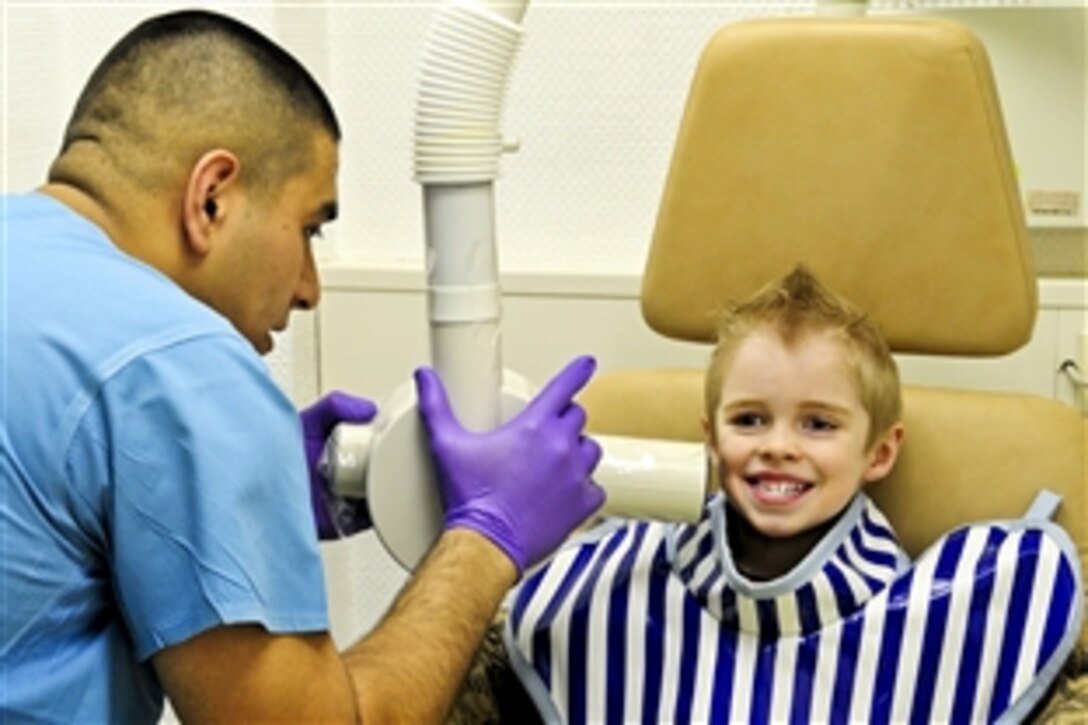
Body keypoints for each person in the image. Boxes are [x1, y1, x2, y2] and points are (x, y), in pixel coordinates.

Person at [1, 9, 605, 723]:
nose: (310, 288)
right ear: (212, 195)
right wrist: (486, 536)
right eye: (311, 227)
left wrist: (230, 482)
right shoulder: (182, 363)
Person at [503, 266, 1082, 723]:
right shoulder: (612, 585)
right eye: (750, 420)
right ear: (710, 437)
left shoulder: (947, 611)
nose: (778, 446)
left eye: (818, 425)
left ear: (879, 453)